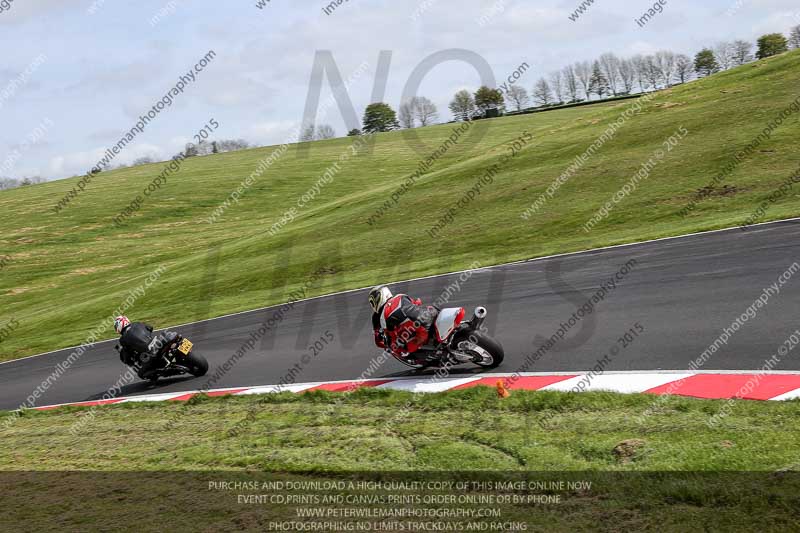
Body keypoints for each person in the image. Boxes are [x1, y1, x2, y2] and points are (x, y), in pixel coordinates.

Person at [369, 285, 439, 364]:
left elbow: (391, 336)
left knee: (403, 348)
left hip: (422, 331)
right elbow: (417, 302)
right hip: (430, 313)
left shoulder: (384, 315)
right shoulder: (401, 296)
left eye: (373, 302)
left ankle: (427, 358)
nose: (373, 305)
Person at [114, 315, 172, 380]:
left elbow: (127, 353)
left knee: (141, 374)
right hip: (156, 343)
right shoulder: (137, 323)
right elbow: (150, 328)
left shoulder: (123, 339)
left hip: (149, 354)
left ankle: (161, 371)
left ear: (119, 325)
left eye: (116, 326)